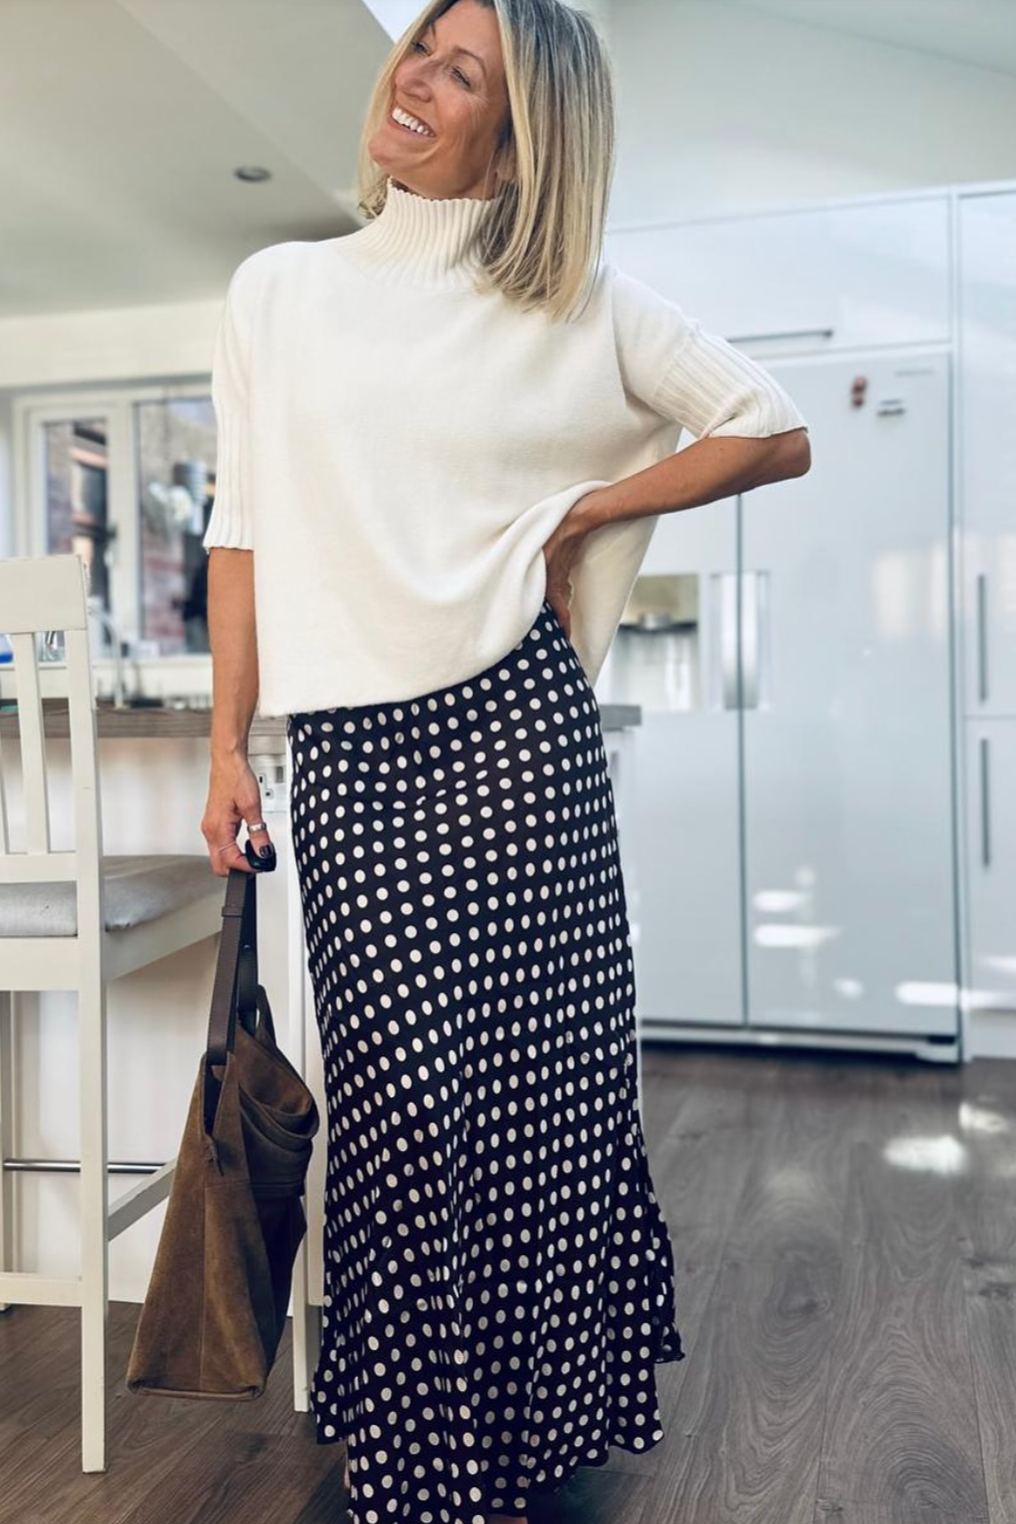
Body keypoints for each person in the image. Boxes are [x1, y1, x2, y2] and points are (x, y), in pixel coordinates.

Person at [200, 1, 811, 1520]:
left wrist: (588, 513)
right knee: (407, 1117)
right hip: (354, 761)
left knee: (539, 1102)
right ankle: (426, 1459)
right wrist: (224, 744)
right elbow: (245, 528)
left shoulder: (581, 305)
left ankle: (529, 1440)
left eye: (460, 70)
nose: (415, 77)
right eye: (421, 47)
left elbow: (771, 425)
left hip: (518, 745)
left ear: (521, 129)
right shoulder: (281, 289)